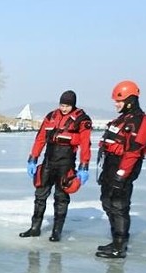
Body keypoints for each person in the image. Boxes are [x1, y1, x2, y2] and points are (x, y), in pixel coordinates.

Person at [19, 90, 92, 242]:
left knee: (61, 197)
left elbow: (85, 144)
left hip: (66, 164)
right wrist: (33, 158)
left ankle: (56, 231)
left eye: (67, 105)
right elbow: (40, 138)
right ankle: (35, 228)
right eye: (62, 105)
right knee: (40, 195)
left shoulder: (82, 120)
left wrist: (84, 166)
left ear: (73, 105)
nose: (64, 108)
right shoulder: (51, 116)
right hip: (48, 161)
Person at [95, 80, 146, 258]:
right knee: (107, 202)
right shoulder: (122, 119)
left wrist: (121, 175)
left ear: (130, 100)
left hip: (123, 167)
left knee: (119, 205)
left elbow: (133, 152)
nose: (116, 104)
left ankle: (120, 246)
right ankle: (115, 240)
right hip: (110, 165)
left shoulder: (142, 122)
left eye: (118, 101)